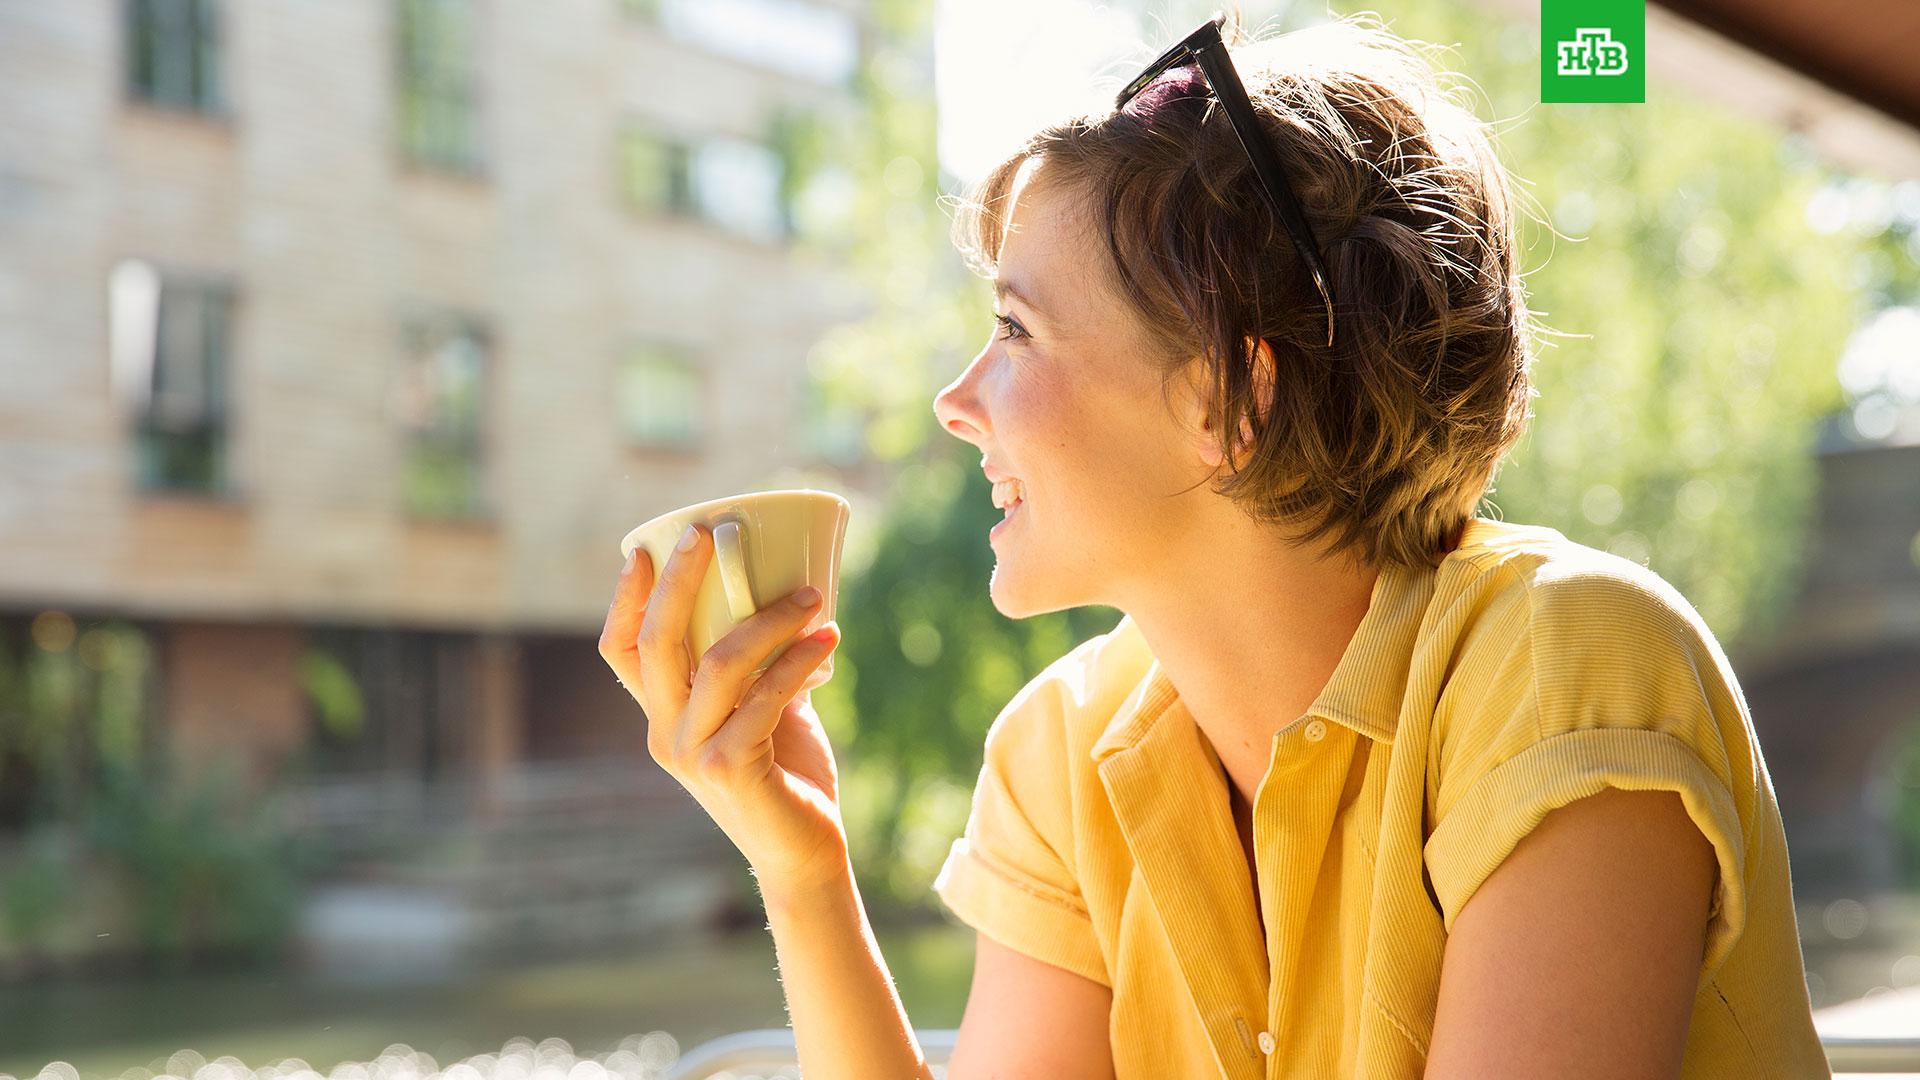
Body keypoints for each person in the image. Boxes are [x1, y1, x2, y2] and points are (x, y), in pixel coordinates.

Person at [598, 10, 1831, 1079]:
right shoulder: (1062, 751)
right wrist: (802, 864)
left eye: (1019, 332)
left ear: (1228, 402)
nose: (956, 398)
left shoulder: (1566, 663)